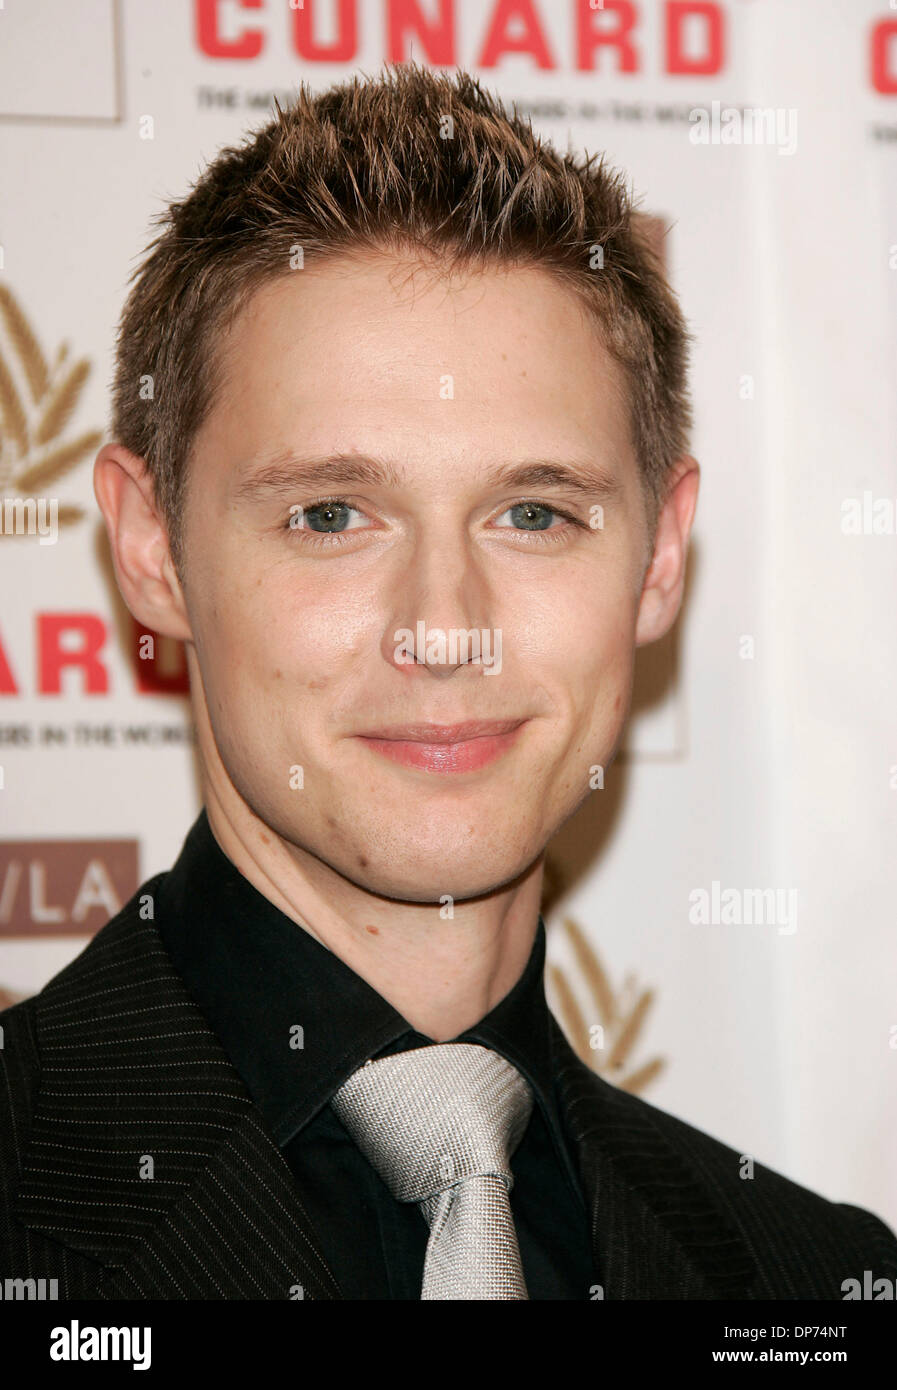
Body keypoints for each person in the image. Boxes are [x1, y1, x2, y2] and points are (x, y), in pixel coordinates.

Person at [1, 62, 894, 1302]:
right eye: (330, 513)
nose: (443, 631)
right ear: (152, 549)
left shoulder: (815, 1282)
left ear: (660, 557)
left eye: (532, 512)